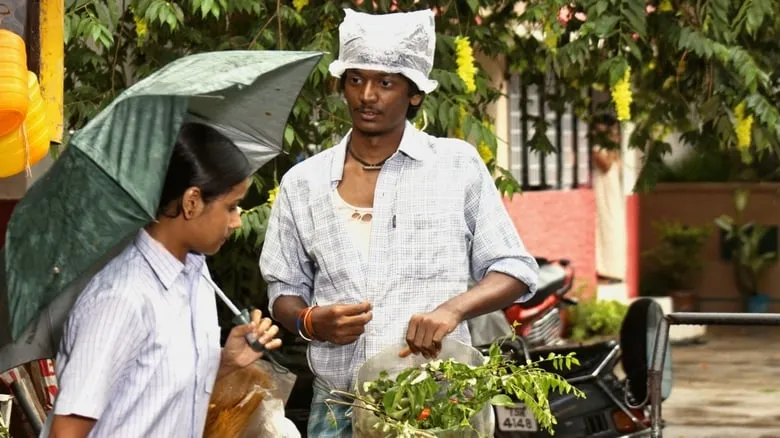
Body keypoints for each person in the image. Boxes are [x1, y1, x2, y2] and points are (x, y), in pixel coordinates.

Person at [259, 8, 539, 437]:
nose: (367, 95)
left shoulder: (456, 165)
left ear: (415, 94)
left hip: (436, 404)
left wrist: (451, 310)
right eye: (356, 79)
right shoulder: (303, 182)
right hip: (337, 406)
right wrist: (311, 321)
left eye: (385, 82)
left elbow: (515, 270)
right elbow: (283, 291)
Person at [42, 122, 283, 438]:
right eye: (231, 206)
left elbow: (159, 394)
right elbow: (66, 432)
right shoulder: (121, 298)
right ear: (191, 201)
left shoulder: (196, 277)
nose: (237, 222)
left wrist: (225, 362)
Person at [591, 113, 627, 284]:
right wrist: (612, 145)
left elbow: (618, 168)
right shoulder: (598, 148)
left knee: (615, 227)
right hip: (603, 191)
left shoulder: (614, 149)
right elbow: (605, 165)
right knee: (606, 227)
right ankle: (605, 271)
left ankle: (616, 270)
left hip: (613, 192)